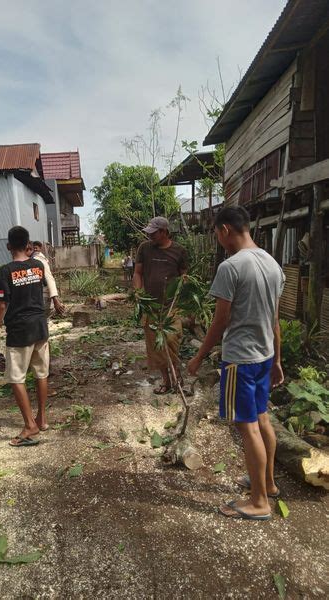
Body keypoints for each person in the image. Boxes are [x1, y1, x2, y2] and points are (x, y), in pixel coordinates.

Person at [187, 206, 285, 521]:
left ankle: (258, 502)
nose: (218, 239)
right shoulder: (272, 264)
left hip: (240, 360)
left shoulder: (232, 267)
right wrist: (278, 360)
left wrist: (199, 356)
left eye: (217, 233)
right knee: (262, 419)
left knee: (248, 427)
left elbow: (220, 321)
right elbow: (275, 319)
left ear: (226, 229)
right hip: (264, 356)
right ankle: (267, 484)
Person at [0, 227, 49, 447]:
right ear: (28, 245)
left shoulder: (6, 271)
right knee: (41, 373)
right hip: (40, 326)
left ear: (8, 246)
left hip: (19, 330)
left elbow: (2, 304)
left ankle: (30, 426)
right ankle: (41, 419)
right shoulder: (39, 266)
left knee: (16, 378)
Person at [133, 216, 187, 394]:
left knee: (171, 340)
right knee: (156, 346)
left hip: (172, 306)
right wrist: (139, 294)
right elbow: (138, 273)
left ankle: (176, 376)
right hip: (151, 306)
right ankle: (167, 381)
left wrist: (183, 291)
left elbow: (183, 277)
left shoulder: (179, 251)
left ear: (164, 232)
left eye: (154, 233)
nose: (150, 236)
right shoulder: (145, 248)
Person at [30, 241, 65, 316]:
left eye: (36, 248)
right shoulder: (36, 259)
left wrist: (55, 300)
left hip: (43, 296)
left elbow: (49, 278)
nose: (35, 249)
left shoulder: (38, 259)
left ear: (40, 248)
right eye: (34, 247)